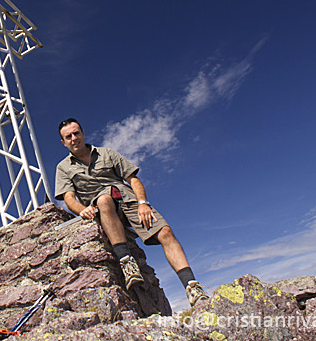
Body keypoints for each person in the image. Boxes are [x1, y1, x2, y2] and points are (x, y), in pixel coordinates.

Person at [54, 118, 209, 307]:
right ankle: (126, 262)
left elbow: (133, 179)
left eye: (76, 133)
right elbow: (69, 198)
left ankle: (192, 286)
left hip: (128, 200)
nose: (74, 138)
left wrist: (143, 203)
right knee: (104, 199)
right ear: (63, 142)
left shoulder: (107, 153)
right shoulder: (63, 167)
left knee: (166, 232)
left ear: (83, 133)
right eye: (68, 136)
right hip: (101, 206)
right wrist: (82, 210)